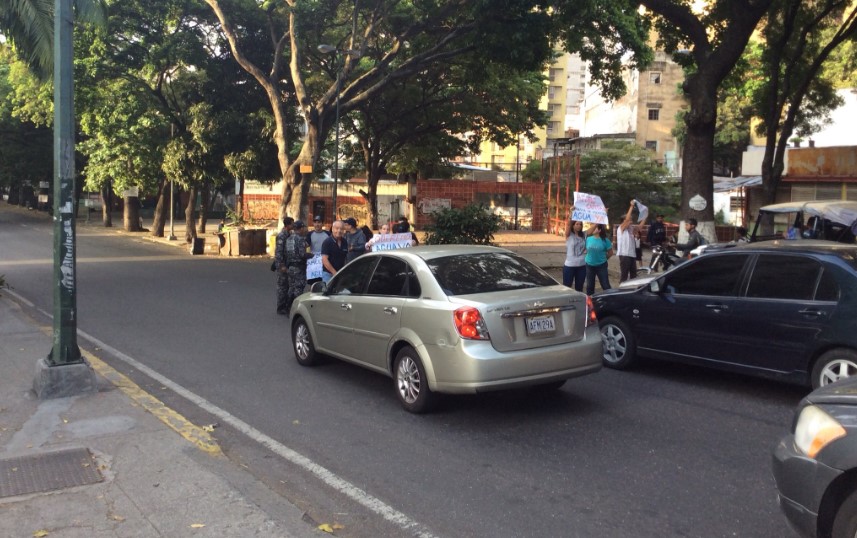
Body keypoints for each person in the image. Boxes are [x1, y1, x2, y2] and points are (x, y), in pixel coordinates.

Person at [284, 220, 312, 314]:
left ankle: (287, 307)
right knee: (298, 288)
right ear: (301, 228)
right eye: (304, 227)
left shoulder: (289, 239)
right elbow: (302, 254)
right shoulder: (300, 239)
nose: (305, 229)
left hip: (290, 267)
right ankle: (295, 310)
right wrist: (311, 255)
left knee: (291, 288)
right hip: (299, 268)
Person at [274, 216, 295, 315]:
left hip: (288, 264)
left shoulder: (289, 234)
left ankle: (286, 306)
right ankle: (281, 306)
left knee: (288, 286)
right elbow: (279, 252)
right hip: (282, 265)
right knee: (282, 286)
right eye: (292, 223)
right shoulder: (282, 236)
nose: (293, 225)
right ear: (288, 225)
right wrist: (281, 265)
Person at [585, 224, 612, 295]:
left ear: (599, 230)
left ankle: (610, 299)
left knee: (605, 285)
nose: (593, 229)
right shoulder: (588, 239)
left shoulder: (605, 240)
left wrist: (604, 258)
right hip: (589, 265)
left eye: (595, 228)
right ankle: (590, 302)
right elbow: (587, 250)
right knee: (590, 286)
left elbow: (610, 253)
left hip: (601, 266)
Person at [563, 209, 586, 292]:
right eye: (576, 224)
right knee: (567, 287)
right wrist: (571, 213)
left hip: (582, 266)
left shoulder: (584, 234)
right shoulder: (569, 235)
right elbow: (568, 225)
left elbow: (594, 227)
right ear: (573, 225)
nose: (579, 226)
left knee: (579, 288)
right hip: (570, 266)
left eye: (580, 224)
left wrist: (602, 215)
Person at [616, 200, 637, 283]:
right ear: (623, 221)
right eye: (628, 219)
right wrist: (631, 207)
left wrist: (645, 216)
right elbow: (627, 220)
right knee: (624, 275)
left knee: (633, 275)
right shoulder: (621, 228)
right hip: (624, 254)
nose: (631, 221)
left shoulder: (631, 228)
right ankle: (621, 291)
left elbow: (640, 227)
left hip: (632, 254)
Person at [306, 216, 331, 285]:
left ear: (322, 224)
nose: (317, 224)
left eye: (319, 222)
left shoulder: (328, 234)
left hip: (325, 260)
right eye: (315, 222)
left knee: (324, 281)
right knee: (314, 283)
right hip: (314, 262)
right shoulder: (310, 234)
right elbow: (305, 245)